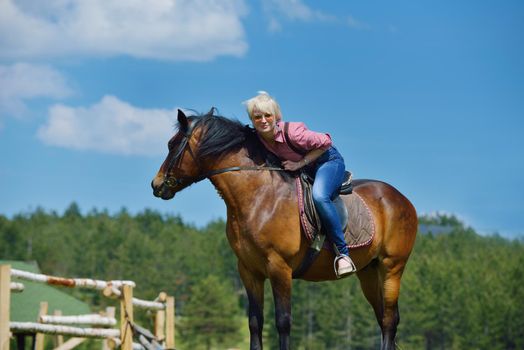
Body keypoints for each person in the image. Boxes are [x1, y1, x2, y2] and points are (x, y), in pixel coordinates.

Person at [244, 91, 356, 278]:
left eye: (267, 115)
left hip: (327, 161)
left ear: (276, 116)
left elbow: (326, 142)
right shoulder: (259, 137)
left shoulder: (293, 131)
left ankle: (343, 254)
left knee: (319, 196)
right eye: (257, 117)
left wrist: (300, 163)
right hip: (304, 169)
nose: (263, 120)